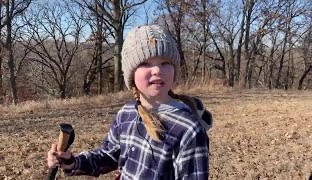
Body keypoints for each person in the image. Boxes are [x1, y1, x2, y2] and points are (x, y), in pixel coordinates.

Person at [47, 24, 212, 179]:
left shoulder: (188, 130)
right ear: (131, 75)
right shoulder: (126, 113)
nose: (157, 70)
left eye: (165, 63)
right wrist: (70, 161)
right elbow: (108, 156)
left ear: (174, 71)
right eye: (145, 63)